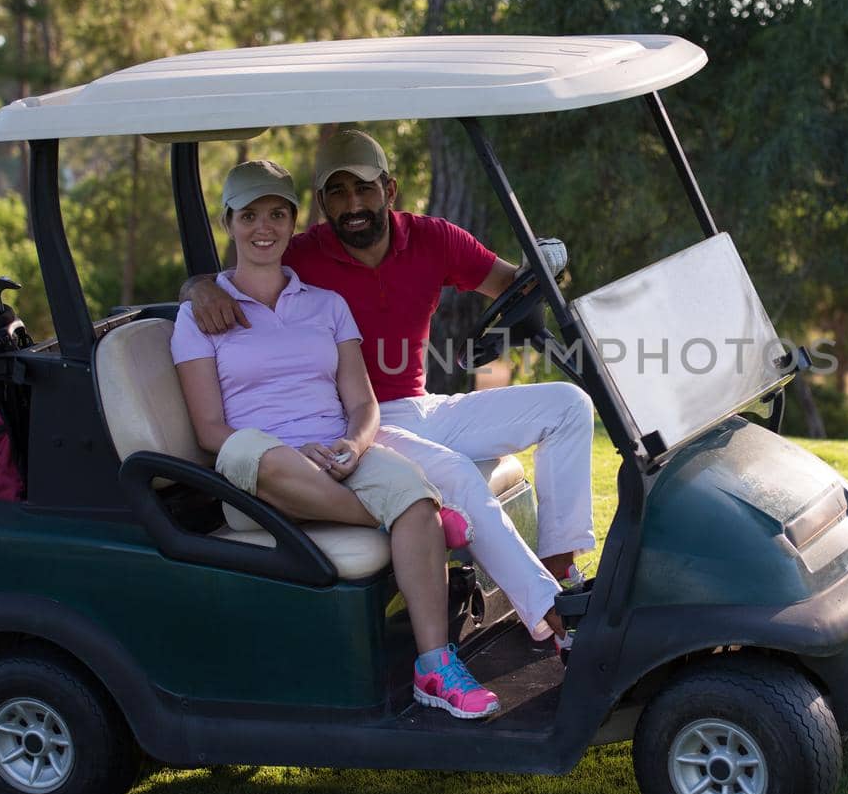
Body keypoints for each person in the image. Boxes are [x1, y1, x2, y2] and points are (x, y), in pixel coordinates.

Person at [185, 131, 594, 647]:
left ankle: (559, 567)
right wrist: (194, 285)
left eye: (364, 188)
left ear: (390, 189)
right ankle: (555, 618)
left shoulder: (433, 238)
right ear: (321, 204)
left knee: (568, 405)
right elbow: (240, 275)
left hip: (423, 405)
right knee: (458, 475)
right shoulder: (304, 256)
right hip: (360, 422)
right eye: (337, 192)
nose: (352, 204)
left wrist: (545, 271)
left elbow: (513, 285)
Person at [172, 159, 522, 719]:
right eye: (250, 215)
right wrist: (293, 453)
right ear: (228, 221)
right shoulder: (202, 314)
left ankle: (434, 668)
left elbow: (362, 405)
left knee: (406, 488)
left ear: (293, 223)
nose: (264, 227)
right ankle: (405, 515)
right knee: (392, 501)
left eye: (278, 215)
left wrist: (355, 447)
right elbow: (210, 430)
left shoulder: (326, 305)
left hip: (337, 455)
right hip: (258, 478)